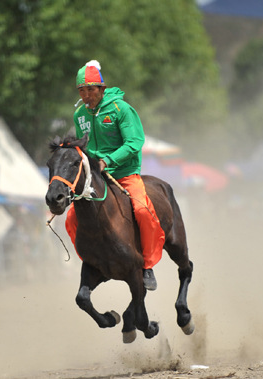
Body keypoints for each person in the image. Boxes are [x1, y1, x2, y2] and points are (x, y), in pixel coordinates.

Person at [65, 60, 165, 291]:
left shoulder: (121, 109)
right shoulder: (79, 114)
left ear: (102, 88)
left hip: (124, 173)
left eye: (91, 89)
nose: (87, 94)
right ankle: (92, 261)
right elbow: (84, 146)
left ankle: (147, 266)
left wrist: (108, 160)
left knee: (142, 210)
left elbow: (134, 143)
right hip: (97, 177)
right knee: (71, 218)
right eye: (82, 90)